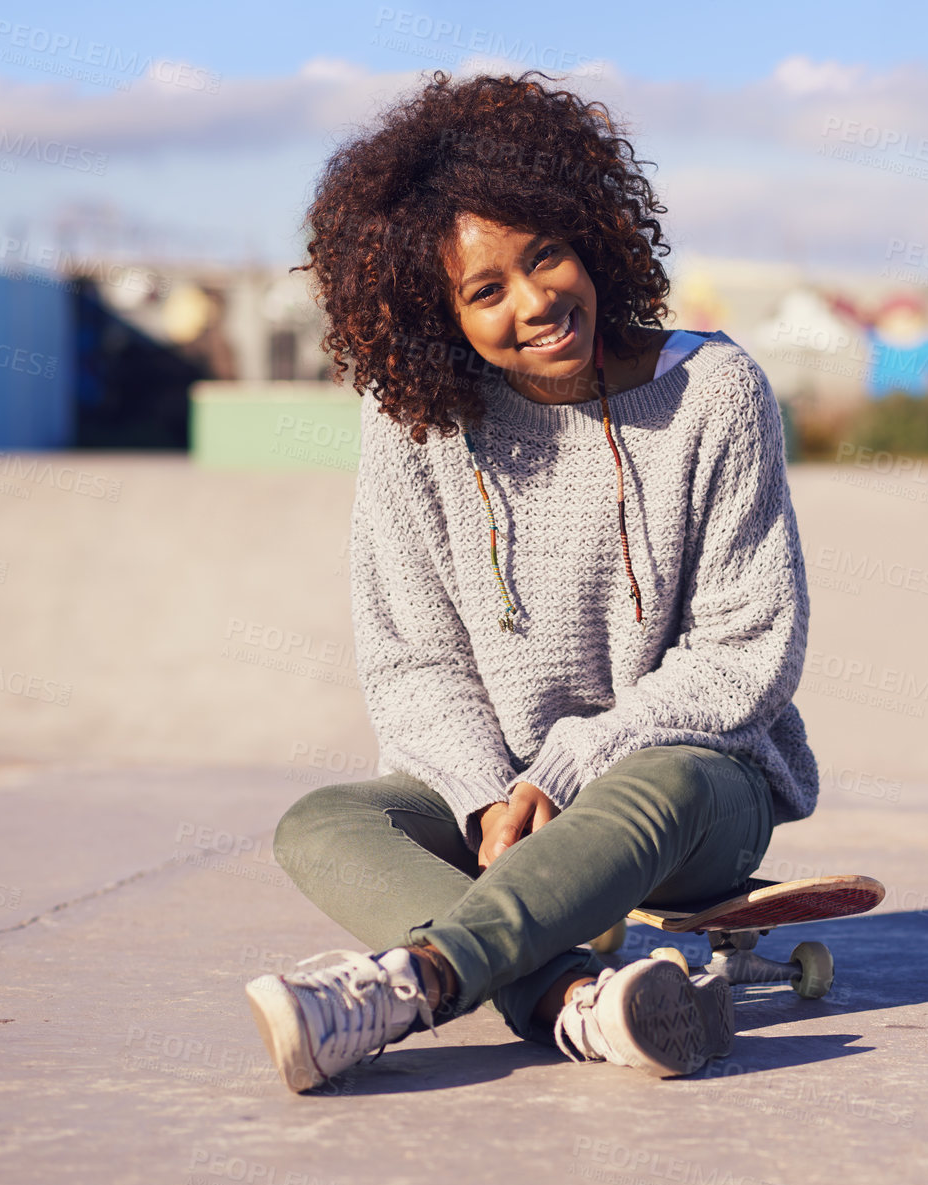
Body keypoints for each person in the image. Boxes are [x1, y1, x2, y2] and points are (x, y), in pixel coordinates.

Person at [245, 70, 818, 1092]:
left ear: (589, 231)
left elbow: (745, 648)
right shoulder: (415, 421)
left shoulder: (714, 394)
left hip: (696, 786)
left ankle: (412, 981)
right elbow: (413, 656)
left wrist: (565, 769)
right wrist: (483, 803)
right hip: (497, 805)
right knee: (323, 821)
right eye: (485, 290)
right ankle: (573, 1003)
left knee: (666, 777)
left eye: (544, 254)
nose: (537, 301)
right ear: (437, 313)